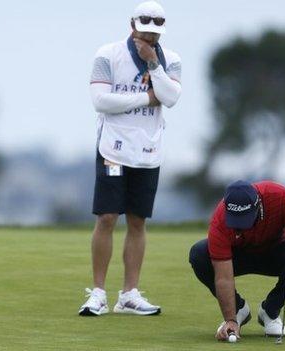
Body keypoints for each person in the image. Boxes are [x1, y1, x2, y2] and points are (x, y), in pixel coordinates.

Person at [79, 1, 182, 316]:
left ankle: (129, 294)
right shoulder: (107, 54)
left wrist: (153, 65)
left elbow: (172, 97)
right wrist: (146, 98)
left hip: (148, 152)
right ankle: (98, 292)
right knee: (107, 217)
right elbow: (101, 101)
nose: (149, 39)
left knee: (138, 220)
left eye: (154, 34)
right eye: (144, 31)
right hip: (113, 150)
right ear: (132, 25)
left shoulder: (170, 60)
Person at [188, 179, 285, 340]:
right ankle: (238, 310)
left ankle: (270, 311)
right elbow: (223, 278)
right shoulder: (219, 220)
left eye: (244, 220)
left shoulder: (279, 196)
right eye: (236, 222)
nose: (239, 228)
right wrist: (230, 319)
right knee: (199, 254)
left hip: (274, 251)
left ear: (259, 207)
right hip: (237, 256)